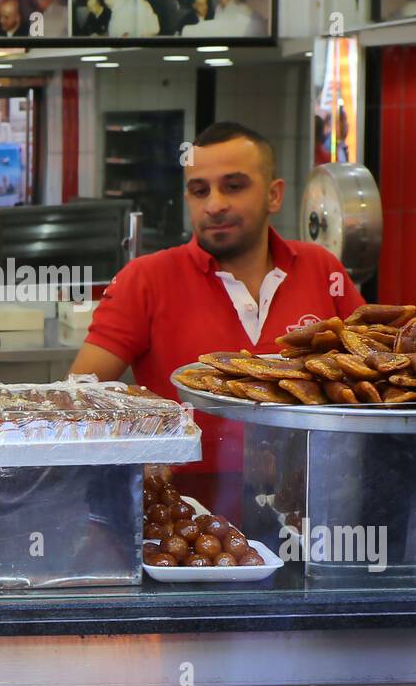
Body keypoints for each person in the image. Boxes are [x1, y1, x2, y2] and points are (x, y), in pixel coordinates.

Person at [71, 122, 364, 510]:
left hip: (312, 510)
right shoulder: (147, 279)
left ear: (274, 195)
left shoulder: (320, 268)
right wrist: (132, 450)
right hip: (184, 529)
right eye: (199, 190)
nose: (214, 204)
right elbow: (77, 398)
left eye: (234, 186)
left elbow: (373, 380)